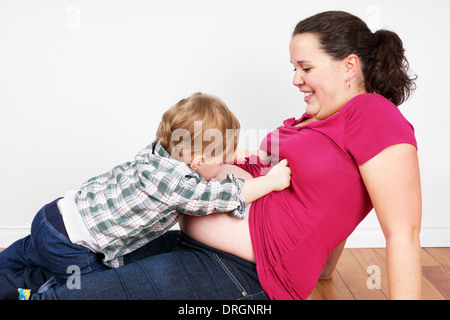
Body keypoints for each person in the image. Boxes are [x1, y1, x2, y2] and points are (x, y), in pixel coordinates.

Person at [19, 10, 421, 300]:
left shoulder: (372, 114)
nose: (296, 79)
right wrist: (326, 272)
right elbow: (334, 203)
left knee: (63, 295)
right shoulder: (308, 123)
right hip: (191, 242)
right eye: (293, 68)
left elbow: (402, 231)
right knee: (40, 259)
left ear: (349, 67)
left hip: (242, 272)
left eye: (305, 67)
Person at [0, 92, 291, 299]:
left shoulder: (159, 149)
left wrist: (255, 154)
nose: (224, 165)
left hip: (52, 216)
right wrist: (273, 182)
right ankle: (28, 296)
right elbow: (228, 195)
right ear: (198, 161)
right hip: (70, 245)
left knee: (25, 255)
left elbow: (216, 151)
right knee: (90, 290)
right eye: (220, 159)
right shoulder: (179, 187)